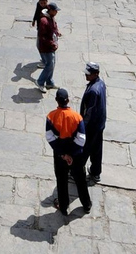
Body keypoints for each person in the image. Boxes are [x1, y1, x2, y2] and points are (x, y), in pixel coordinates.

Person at [46, 88, 91, 217]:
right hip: (75, 155)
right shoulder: (77, 117)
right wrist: (72, 154)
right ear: (68, 100)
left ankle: (63, 206)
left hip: (60, 155)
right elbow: (81, 139)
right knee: (80, 179)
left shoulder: (51, 116)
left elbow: (50, 137)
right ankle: (86, 204)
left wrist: (63, 155)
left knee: (61, 179)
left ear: (56, 101)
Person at [80, 62, 107, 183]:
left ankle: (77, 171)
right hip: (99, 123)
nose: (86, 76)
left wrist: (82, 126)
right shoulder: (100, 84)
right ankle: (95, 172)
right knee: (97, 149)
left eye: (89, 74)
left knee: (84, 149)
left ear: (96, 74)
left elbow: (89, 112)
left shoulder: (93, 91)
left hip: (91, 125)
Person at [35, 2, 60, 92]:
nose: (57, 12)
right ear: (51, 11)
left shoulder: (51, 18)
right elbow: (42, 37)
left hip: (51, 46)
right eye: (56, 11)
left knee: (52, 64)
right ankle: (40, 82)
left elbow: (54, 27)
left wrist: (57, 33)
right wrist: (51, 44)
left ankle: (49, 82)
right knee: (49, 65)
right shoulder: (43, 21)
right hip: (46, 47)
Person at [32, 0, 48, 67]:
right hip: (40, 27)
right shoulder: (38, 5)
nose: (43, 5)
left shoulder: (48, 9)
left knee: (40, 45)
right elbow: (36, 12)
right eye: (41, 3)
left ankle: (45, 62)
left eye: (44, 3)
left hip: (45, 30)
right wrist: (34, 20)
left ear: (47, 1)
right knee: (39, 45)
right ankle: (45, 59)